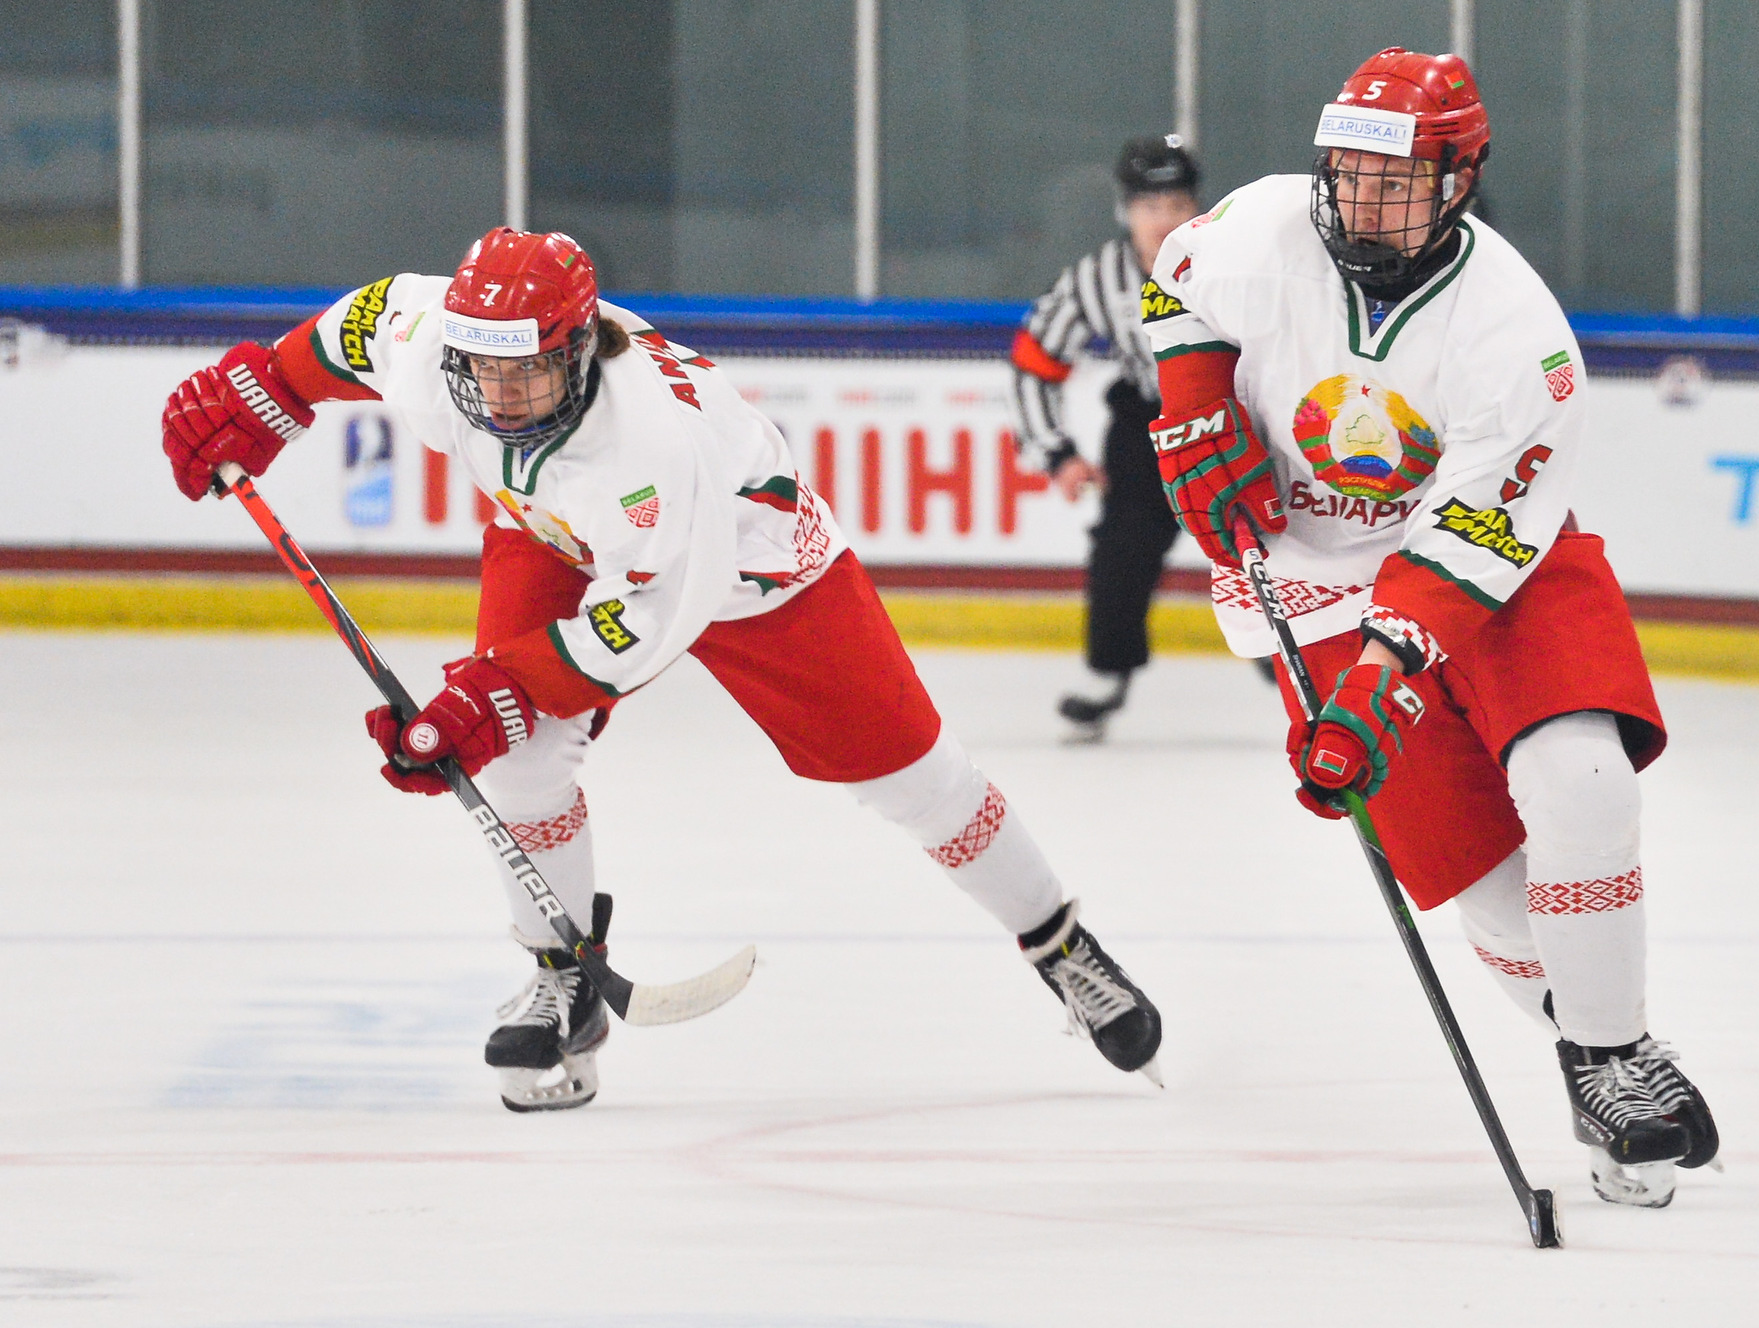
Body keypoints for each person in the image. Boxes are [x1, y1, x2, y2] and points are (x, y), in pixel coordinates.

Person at [159, 227, 1163, 1111]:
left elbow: (637, 628)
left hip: (756, 574)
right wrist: (268, 390)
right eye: (484, 371)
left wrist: (486, 694)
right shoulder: (442, 342)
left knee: (913, 777)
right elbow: (357, 324)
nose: (501, 397)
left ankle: (1058, 941)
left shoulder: (645, 454)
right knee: (517, 763)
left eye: (529, 373)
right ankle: (561, 975)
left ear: (582, 349)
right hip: (553, 533)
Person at [1141, 48, 1717, 1207]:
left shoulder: (1516, 337)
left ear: (1457, 181)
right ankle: (1594, 1039)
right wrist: (1195, 406)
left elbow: (1462, 544)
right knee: (1478, 880)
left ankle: (1612, 1056)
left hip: (1493, 566)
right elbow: (1175, 282)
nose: (1360, 200)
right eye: (1346, 173)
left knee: (1580, 780)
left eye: (1392, 180)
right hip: (1311, 590)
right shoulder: (1257, 231)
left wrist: (1381, 681)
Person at [1009, 135, 1203, 739]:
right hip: (1147, 428)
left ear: (1197, 208)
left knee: (1273, 550)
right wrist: (1057, 453)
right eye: (1150, 207)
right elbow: (1034, 363)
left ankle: (1302, 672)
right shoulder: (1099, 277)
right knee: (1120, 553)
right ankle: (1107, 671)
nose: (1164, 221)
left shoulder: (1235, 263)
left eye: (1176, 205)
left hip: (1239, 422)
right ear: (1126, 210)